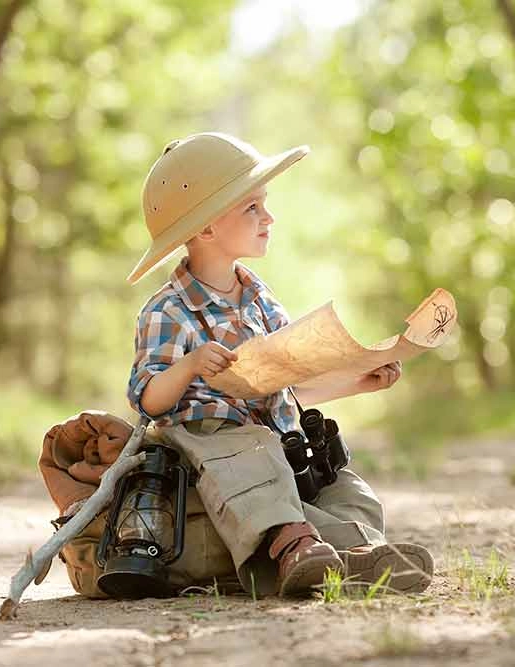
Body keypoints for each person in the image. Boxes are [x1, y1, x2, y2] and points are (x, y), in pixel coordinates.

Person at [122, 132, 433, 598]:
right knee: (254, 450)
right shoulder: (168, 311)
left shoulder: (260, 301)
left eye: (264, 204)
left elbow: (282, 389)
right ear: (206, 228)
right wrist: (188, 366)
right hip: (214, 447)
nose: (269, 217)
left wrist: (356, 383)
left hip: (275, 448)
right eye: (252, 207)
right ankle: (293, 544)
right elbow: (149, 401)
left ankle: (353, 554)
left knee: (346, 488)